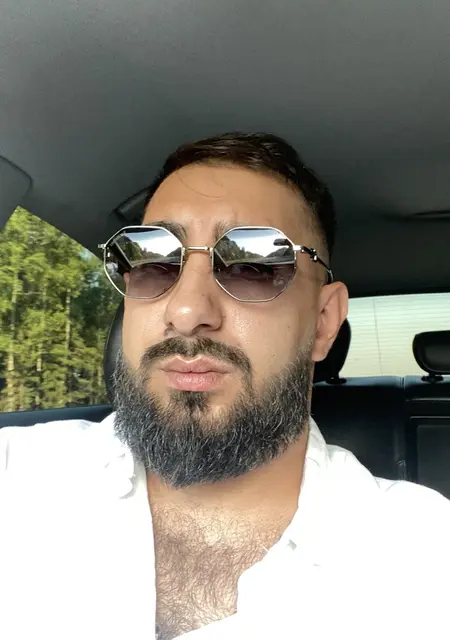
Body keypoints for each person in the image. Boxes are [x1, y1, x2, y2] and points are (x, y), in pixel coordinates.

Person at [1, 132, 449, 640]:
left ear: (324, 322)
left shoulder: (423, 561)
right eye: (153, 261)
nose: (186, 310)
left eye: (253, 264)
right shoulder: (17, 476)